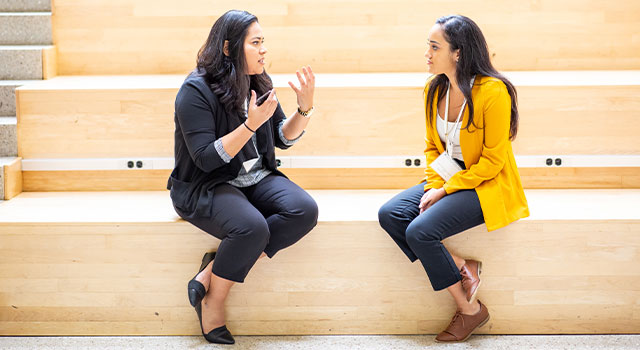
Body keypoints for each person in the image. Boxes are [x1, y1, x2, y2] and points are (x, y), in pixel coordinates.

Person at [168, 10, 319, 344]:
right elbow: (205, 159)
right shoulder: (195, 91)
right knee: (252, 228)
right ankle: (214, 303)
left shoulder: (258, 79)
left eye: (264, 42)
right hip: (207, 184)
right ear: (228, 48)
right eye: (256, 43)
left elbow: (281, 136)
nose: (264, 50)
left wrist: (304, 108)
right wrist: (249, 124)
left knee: (304, 211)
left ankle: (212, 269)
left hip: (254, 178)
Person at [378, 15, 529, 342]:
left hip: (486, 183)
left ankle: (469, 311)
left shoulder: (493, 91)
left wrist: (445, 189)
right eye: (428, 47)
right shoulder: (434, 90)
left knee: (420, 231)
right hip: (448, 179)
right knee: (390, 214)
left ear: (458, 52)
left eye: (435, 47)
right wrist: (435, 186)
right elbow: (433, 147)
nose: (427, 54)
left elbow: (493, 161)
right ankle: (462, 265)